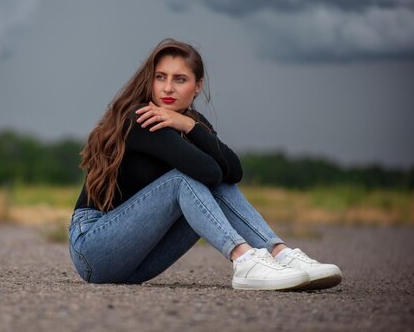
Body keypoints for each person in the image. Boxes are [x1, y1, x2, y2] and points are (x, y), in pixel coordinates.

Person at [68, 38, 342, 290]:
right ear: (149, 80)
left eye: (180, 79)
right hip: (93, 246)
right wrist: (191, 128)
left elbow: (233, 172)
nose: (167, 88)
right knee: (183, 179)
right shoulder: (142, 119)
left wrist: (189, 125)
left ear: (197, 85)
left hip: (135, 265)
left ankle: (280, 254)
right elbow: (209, 173)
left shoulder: (189, 123)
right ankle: (244, 259)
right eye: (160, 77)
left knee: (211, 180)